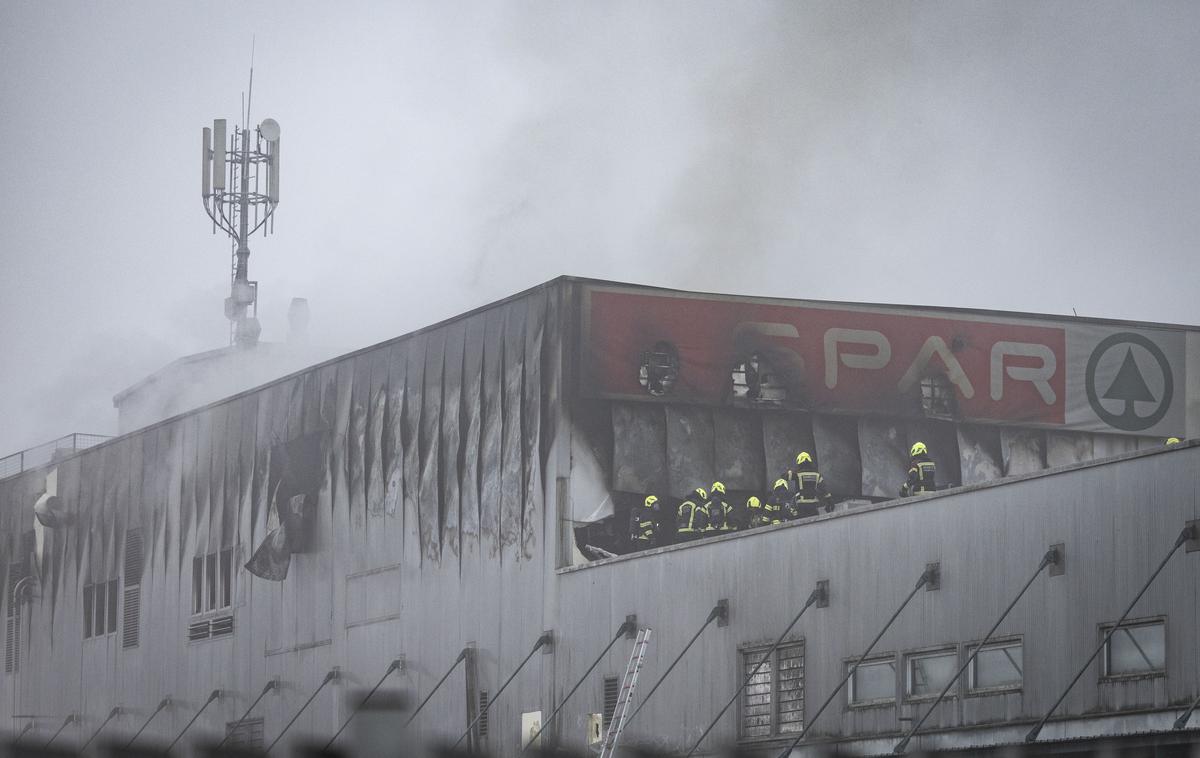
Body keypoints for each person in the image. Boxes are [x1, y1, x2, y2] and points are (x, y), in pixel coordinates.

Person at [791, 451, 834, 517]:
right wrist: (829, 501)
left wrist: (791, 472)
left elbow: (784, 476)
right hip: (813, 506)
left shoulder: (797, 474)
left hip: (801, 506)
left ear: (799, 462)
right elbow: (824, 489)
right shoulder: (817, 475)